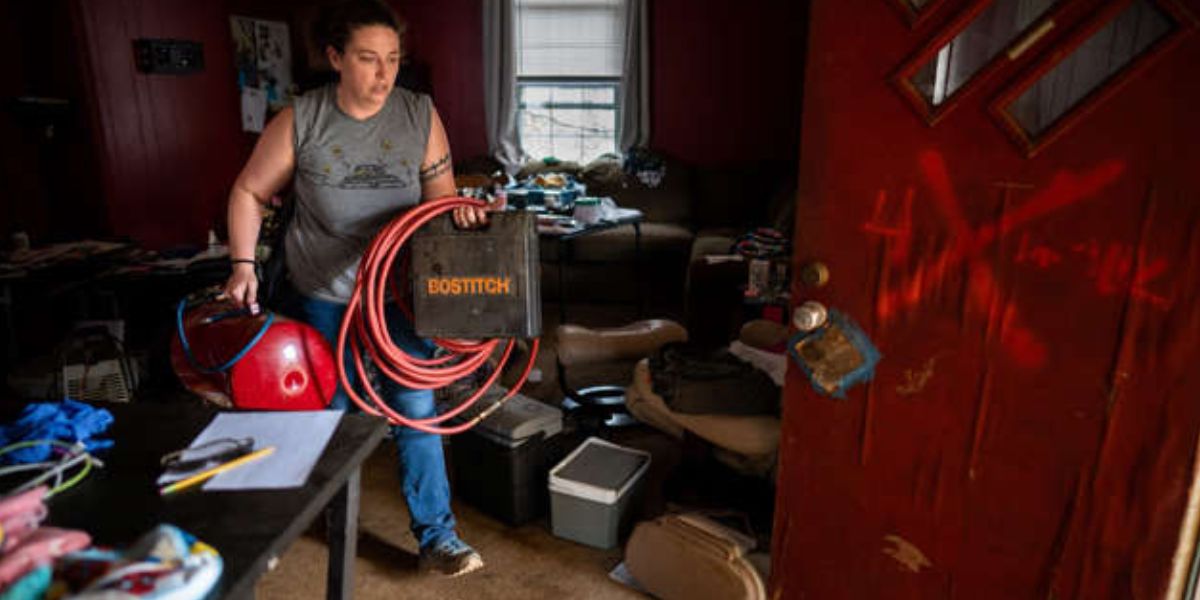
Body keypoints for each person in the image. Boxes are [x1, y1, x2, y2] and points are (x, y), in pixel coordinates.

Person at [221, 0, 488, 577]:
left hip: (395, 296)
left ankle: (437, 538)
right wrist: (243, 265)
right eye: (368, 59)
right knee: (332, 413)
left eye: (393, 59)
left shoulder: (419, 115)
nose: (384, 74)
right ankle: (299, 516)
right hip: (322, 289)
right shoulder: (303, 118)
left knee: (415, 406)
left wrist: (459, 216)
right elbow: (248, 191)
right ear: (336, 58)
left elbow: (437, 205)